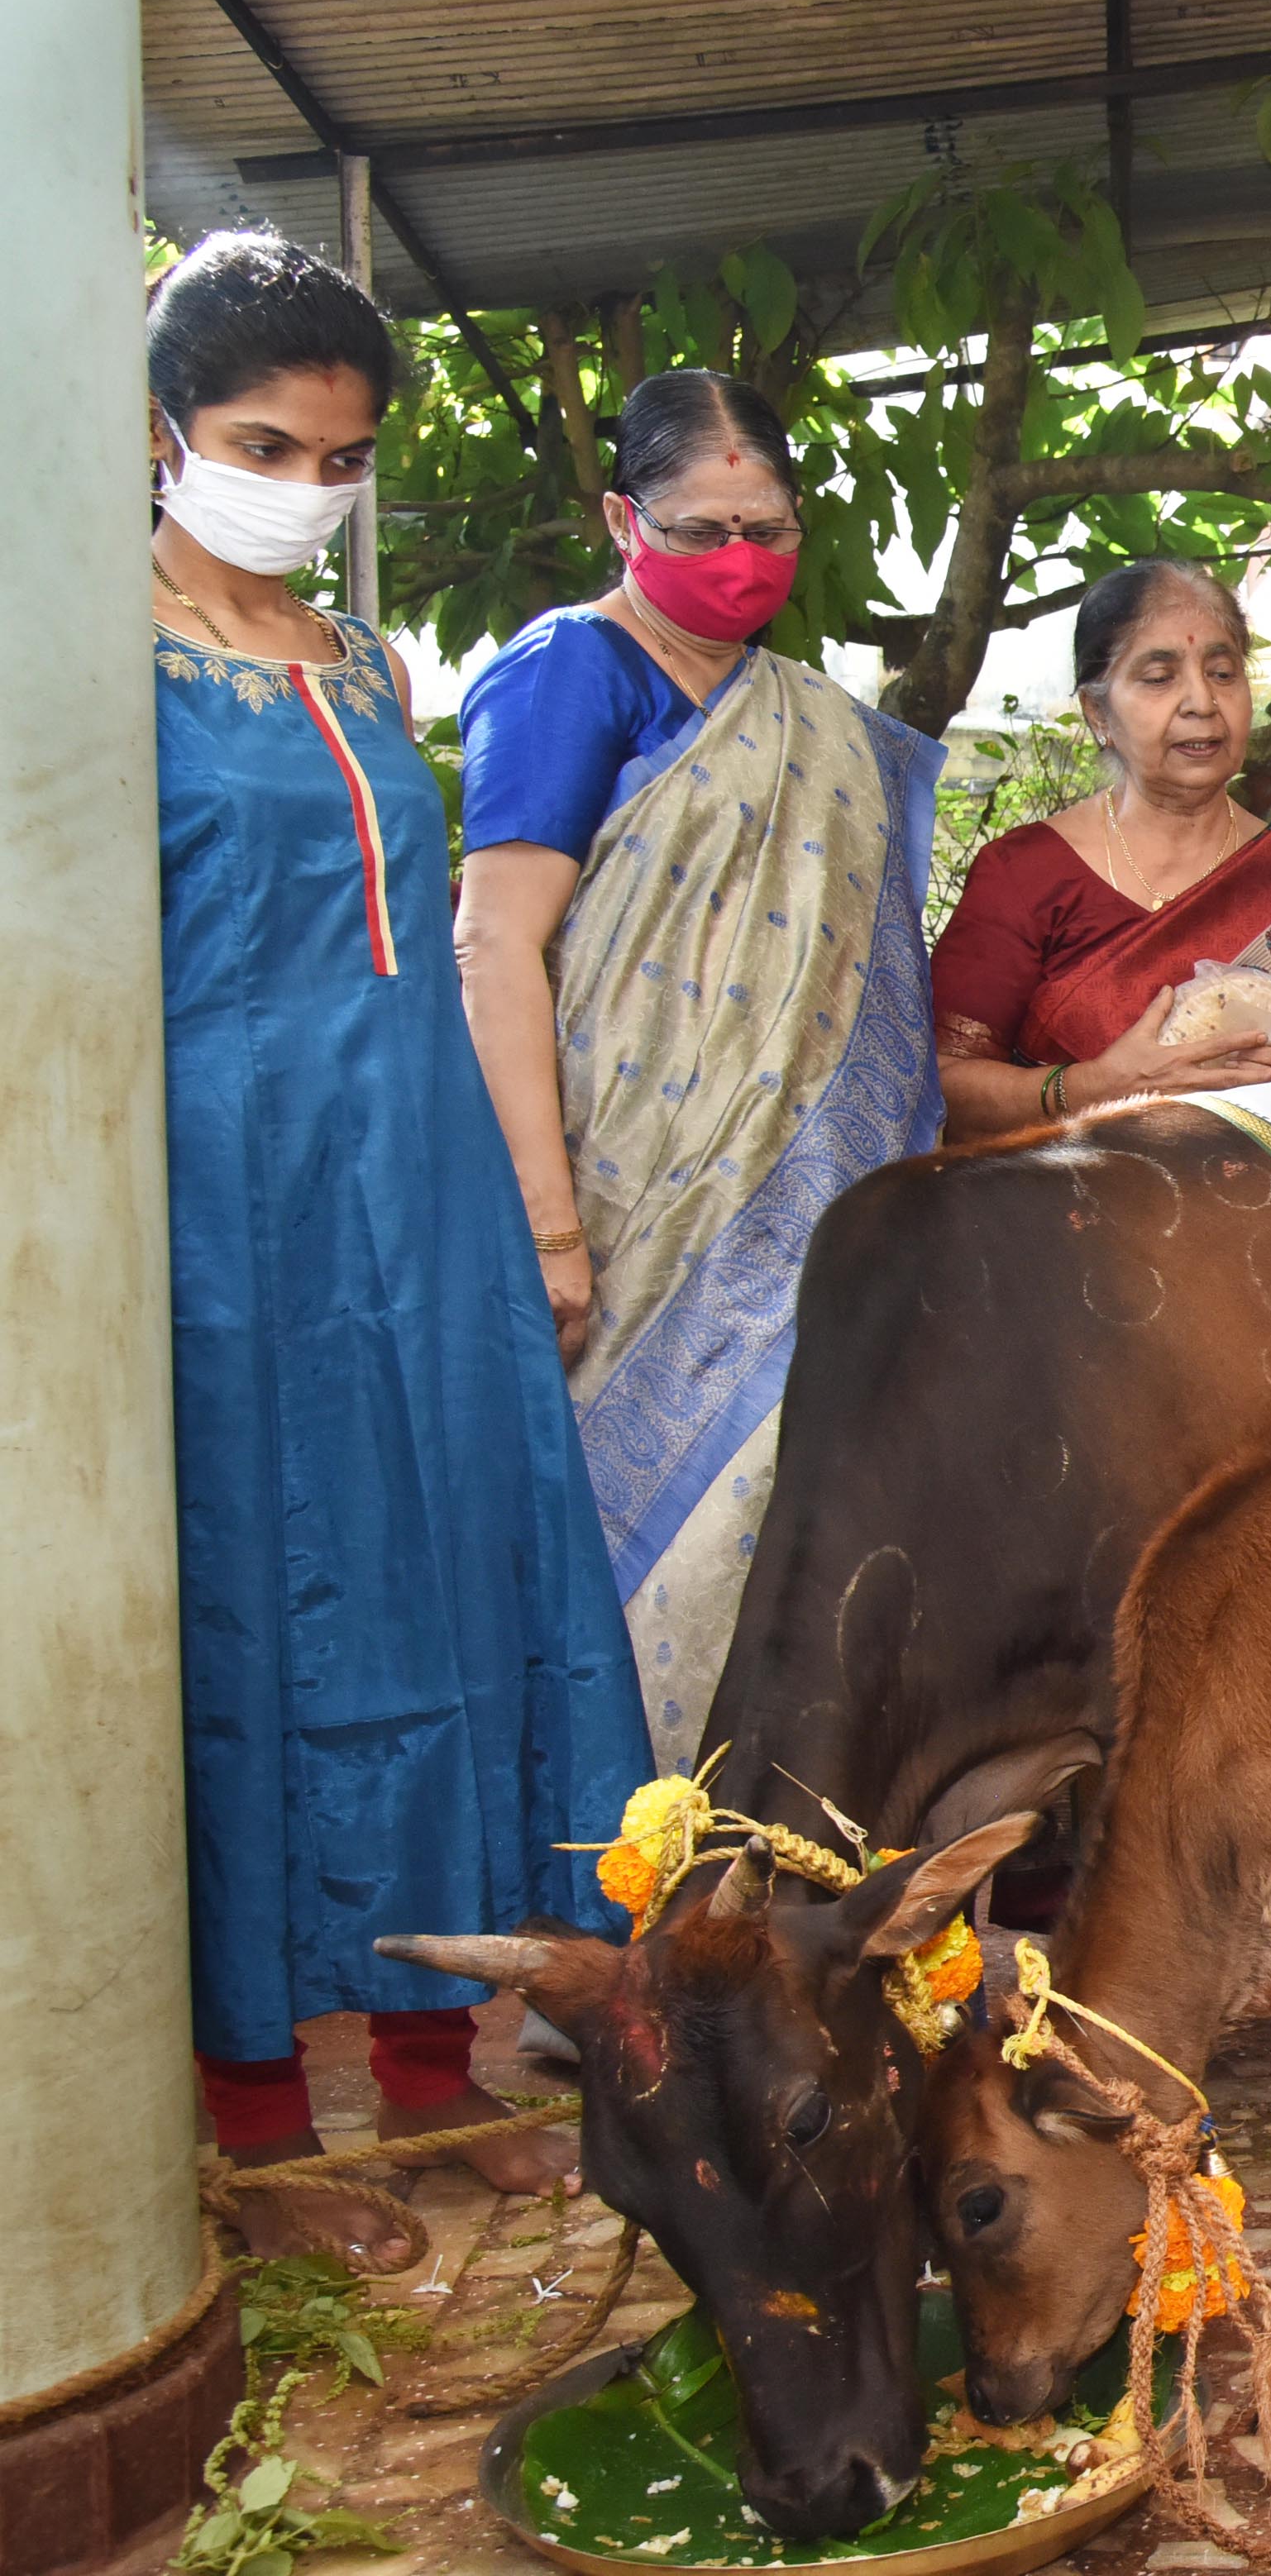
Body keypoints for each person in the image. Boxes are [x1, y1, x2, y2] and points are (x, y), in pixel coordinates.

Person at [145, 231, 647, 2260]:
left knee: (456, 1590)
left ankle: (439, 2076)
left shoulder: (360, 661)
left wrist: (525, 1204)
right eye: (264, 444)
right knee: (266, 1618)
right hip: (220, 1210)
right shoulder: (81, 654)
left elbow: (434, 948)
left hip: (417, 1195)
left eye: (342, 457)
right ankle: (261, 2125)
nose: (305, 485)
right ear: (160, 435)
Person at [454, 371, 950, 1767]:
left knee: (802, 1538)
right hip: (617, 1221)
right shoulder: (567, 671)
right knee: (615, 1550)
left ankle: (758, 1890)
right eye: (698, 528)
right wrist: (549, 1224)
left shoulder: (818, 720)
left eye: (768, 528)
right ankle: (603, 1882)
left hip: (808, 1226)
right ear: (623, 518)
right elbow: (494, 946)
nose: (739, 560)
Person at [929, 557, 1271, 1141]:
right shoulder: (1026, 876)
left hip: (1269, 1220)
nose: (1201, 702)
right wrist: (1094, 1088)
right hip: (1068, 1220)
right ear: (1098, 712)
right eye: (1159, 678)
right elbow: (941, 1086)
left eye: (1223, 672)